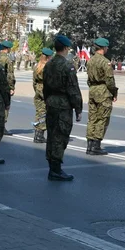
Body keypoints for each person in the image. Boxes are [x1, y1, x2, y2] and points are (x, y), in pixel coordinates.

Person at [43, 35, 82, 181]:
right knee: (61, 137)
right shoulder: (68, 66)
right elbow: (73, 89)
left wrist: (48, 100)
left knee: (52, 136)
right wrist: (78, 109)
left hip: (51, 102)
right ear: (65, 48)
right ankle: (56, 170)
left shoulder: (49, 64)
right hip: (63, 105)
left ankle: (52, 167)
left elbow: (45, 87)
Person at [86, 38, 118, 156]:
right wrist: (114, 92)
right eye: (107, 47)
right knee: (102, 118)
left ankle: (89, 144)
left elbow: (89, 78)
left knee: (92, 118)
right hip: (103, 92)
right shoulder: (105, 62)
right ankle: (96, 145)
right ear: (104, 48)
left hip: (93, 90)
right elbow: (109, 80)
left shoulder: (90, 61)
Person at [32, 48, 53, 144]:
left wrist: (37, 90)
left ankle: (37, 134)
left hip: (38, 90)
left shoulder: (37, 66)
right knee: (45, 113)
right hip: (46, 90)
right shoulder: (48, 67)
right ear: (49, 57)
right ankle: (40, 135)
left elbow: (34, 82)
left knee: (39, 112)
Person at [0, 41, 15, 135]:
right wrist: (11, 87)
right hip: (4, 86)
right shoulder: (7, 59)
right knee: (5, 106)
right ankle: (2, 127)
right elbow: (10, 75)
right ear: (8, 48)